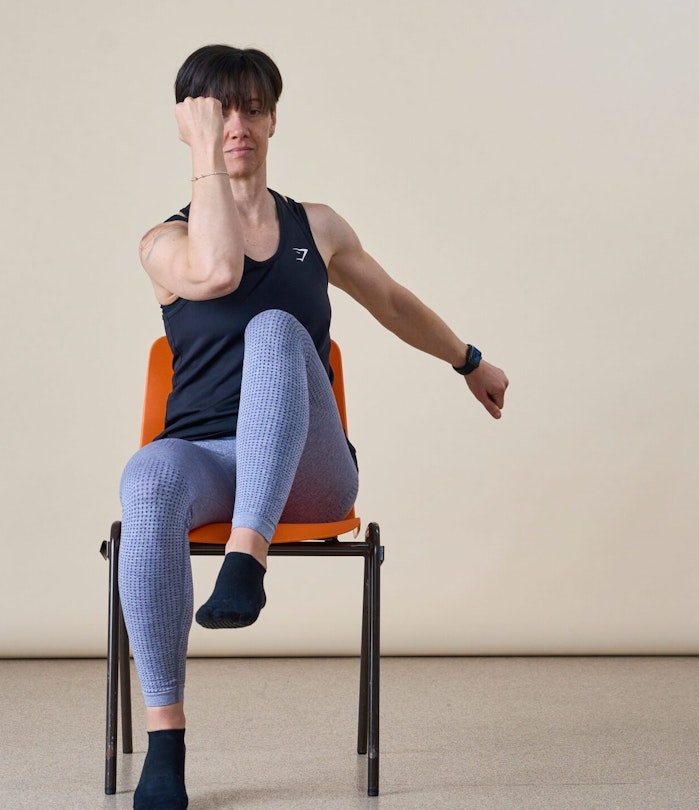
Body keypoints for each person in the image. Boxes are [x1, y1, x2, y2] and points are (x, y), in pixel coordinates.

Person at [119, 44, 510, 809]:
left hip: (310, 472)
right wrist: (202, 155)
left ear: (273, 118)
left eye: (252, 107)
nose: (238, 123)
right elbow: (219, 271)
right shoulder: (164, 245)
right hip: (204, 462)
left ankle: (247, 558)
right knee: (147, 478)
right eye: (218, 109)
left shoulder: (317, 226)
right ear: (194, 123)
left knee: (274, 330)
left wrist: (468, 361)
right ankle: (166, 744)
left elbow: (392, 302)